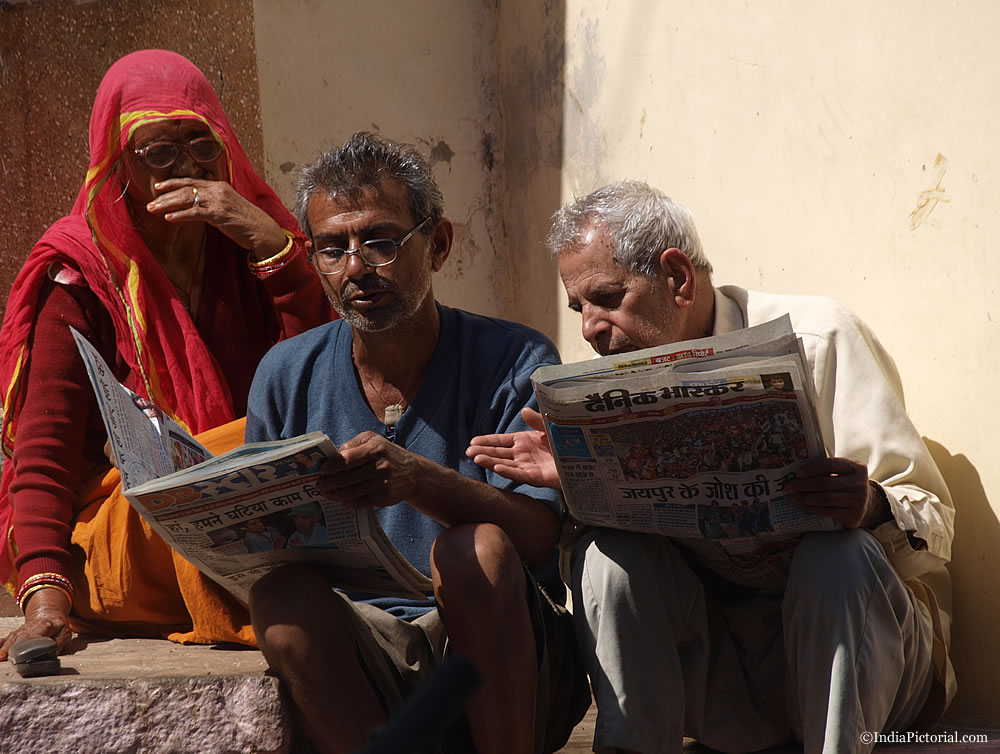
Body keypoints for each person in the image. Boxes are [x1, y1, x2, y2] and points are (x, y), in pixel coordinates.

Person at [468, 180, 955, 754]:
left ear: (677, 278)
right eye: (580, 308)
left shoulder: (818, 337)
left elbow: (935, 522)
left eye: (606, 297)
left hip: (873, 676)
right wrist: (582, 486)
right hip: (730, 682)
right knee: (607, 558)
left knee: (837, 557)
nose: (590, 329)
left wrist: (869, 503)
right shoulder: (609, 386)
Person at [245, 132, 589, 754]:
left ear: (438, 244)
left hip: (501, 654)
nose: (356, 268)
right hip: (363, 659)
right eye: (332, 248)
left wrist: (419, 479)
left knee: (475, 552)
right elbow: (263, 549)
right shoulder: (284, 374)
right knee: (277, 596)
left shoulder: (515, 358)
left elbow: (539, 538)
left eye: (380, 241)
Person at [0, 50, 332, 661]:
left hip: (261, 522)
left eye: (203, 146)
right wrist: (45, 601)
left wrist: (274, 247)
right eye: (159, 153)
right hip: (132, 542)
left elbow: (320, 382)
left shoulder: (254, 245)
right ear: (119, 163)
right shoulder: (79, 275)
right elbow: (42, 454)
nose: (188, 170)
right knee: (245, 451)